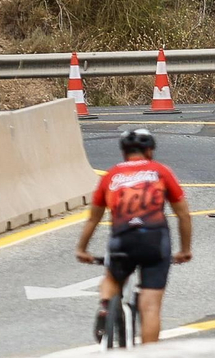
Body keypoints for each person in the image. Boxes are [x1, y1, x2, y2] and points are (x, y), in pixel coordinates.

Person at [74, 128, 192, 343]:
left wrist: (82, 249)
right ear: (150, 151)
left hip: (123, 240)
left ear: (123, 152)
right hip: (154, 240)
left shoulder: (111, 175)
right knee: (150, 306)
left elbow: (93, 218)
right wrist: (185, 250)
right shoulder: (160, 171)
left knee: (112, 278)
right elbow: (183, 214)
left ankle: (105, 305)